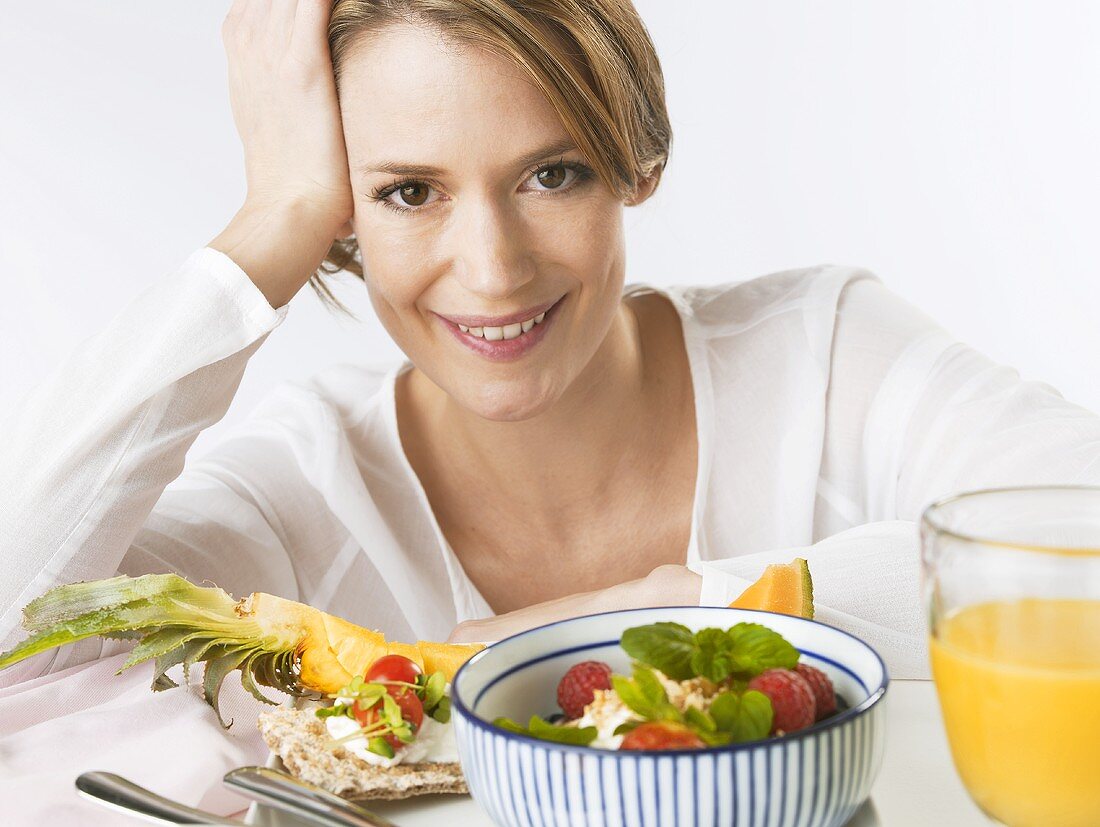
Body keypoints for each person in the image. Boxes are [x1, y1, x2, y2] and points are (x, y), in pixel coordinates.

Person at [1, 1, 1099, 818]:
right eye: (407, 191)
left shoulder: (823, 354)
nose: (490, 269)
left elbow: (1079, 529)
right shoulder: (297, 494)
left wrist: (666, 608)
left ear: (634, 159)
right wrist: (272, 216)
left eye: (551, 173)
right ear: (344, 217)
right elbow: (17, 630)